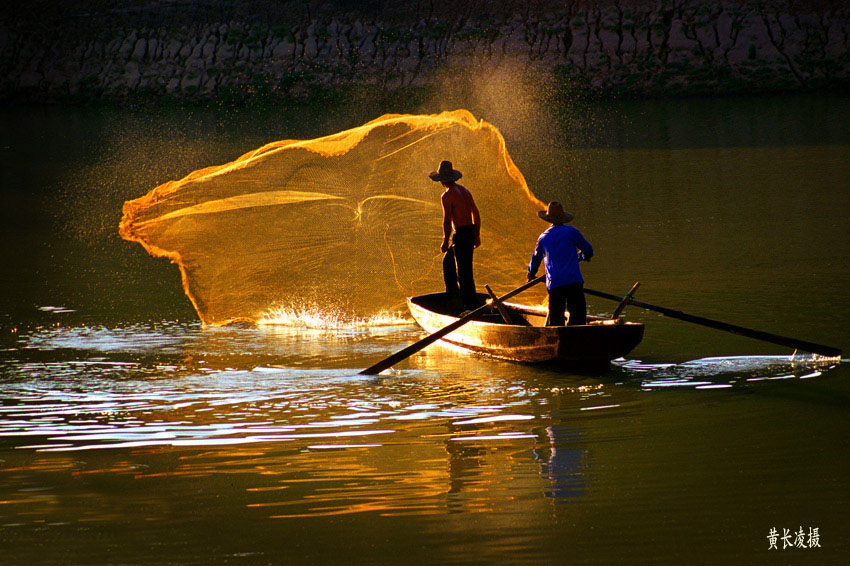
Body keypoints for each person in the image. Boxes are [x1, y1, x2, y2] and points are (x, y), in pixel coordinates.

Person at [527, 201, 593, 326]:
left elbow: (535, 259)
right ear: (563, 218)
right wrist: (582, 256)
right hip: (574, 282)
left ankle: (561, 340)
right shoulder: (572, 232)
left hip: (555, 284)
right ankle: (577, 339)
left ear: (549, 219)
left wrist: (531, 273)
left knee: (556, 321)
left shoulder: (543, 237)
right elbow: (588, 250)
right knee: (578, 319)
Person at [429, 160, 481, 311]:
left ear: (442, 180)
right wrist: (476, 234)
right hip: (470, 231)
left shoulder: (447, 196)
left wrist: (445, 241)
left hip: (462, 233)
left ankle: (467, 307)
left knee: (463, 271)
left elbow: (447, 221)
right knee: (450, 263)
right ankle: (457, 299)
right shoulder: (464, 191)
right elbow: (475, 213)